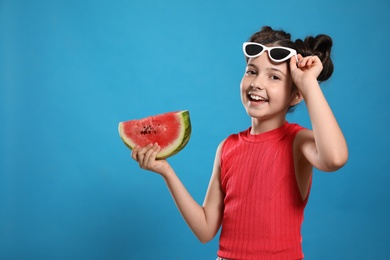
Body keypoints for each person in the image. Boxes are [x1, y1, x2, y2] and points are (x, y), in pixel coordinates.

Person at [131, 26, 348, 260]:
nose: (257, 83)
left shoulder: (298, 142)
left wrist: (309, 84)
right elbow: (205, 230)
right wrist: (166, 172)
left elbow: (335, 158)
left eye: (274, 76)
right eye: (251, 71)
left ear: (296, 94)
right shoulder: (227, 147)